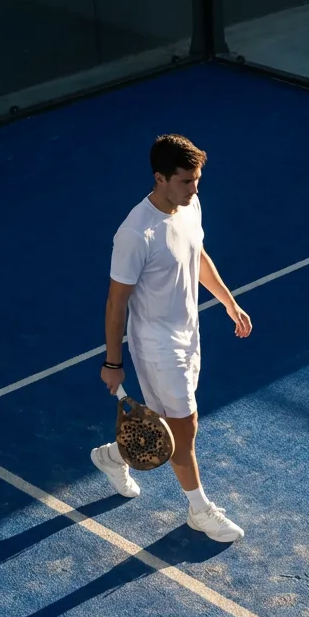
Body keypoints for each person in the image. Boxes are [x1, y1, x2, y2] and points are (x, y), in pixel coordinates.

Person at [90, 134, 252, 543]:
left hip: (188, 334)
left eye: (197, 180)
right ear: (159, 178)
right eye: (185, 181)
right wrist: (113, 362)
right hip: (156, 346)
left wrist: (229, 302)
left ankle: (111, 456)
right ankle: (199, 510)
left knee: (163, 424)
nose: (194, 189)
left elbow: (197, 255)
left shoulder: (189, 205)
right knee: (184, 428)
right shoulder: (135, 233)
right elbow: (116, 303)